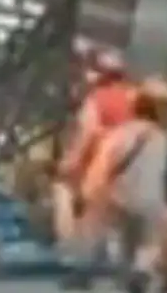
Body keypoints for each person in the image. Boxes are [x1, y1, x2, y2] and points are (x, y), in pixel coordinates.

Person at [64, 78, 167, 293]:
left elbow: (102, 167)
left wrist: (88, 193)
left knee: (120, 237)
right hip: (152, 198)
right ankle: (141, 271)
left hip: (119, 196)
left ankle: (125, 275)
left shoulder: (118, 134)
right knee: (151, 241)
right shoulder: (163, 138)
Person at [54, 48, 136, 255]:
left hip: (104, 166)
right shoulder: (137, 96)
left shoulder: (96, 100)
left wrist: (69, 164)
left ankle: (76, 258)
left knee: (68, 195)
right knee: (124, 218)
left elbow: (87, 134)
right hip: (135, 167)